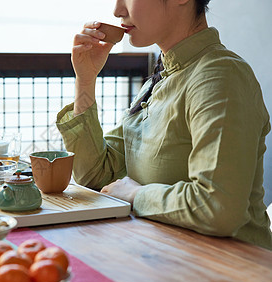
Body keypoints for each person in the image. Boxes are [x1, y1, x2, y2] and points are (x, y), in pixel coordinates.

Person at [56, 0, 272, 250]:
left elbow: (217, 207)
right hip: (164, 258)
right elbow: (95, 175)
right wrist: (85, 79)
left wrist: (137, 195)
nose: (117, 11)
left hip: (232, 273)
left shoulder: (221, 75)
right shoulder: (158, 80)